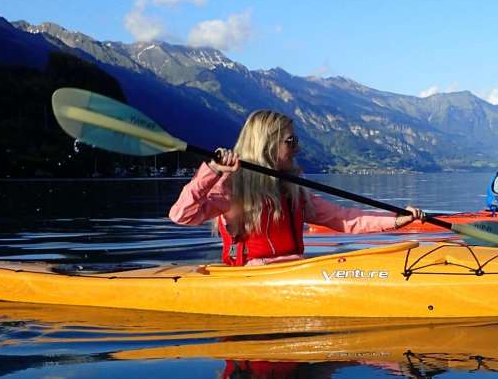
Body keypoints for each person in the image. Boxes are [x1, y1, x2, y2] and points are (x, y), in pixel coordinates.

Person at [169, 110, 425, 266]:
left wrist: (395, 220)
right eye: (291, 141)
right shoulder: (232, 189)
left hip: (296, 271)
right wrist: (212, 171)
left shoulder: (294, 190)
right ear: (266, 144)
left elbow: (345, 219)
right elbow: (181, 215)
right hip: (253, 279)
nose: (298, 148)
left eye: (296, 140)